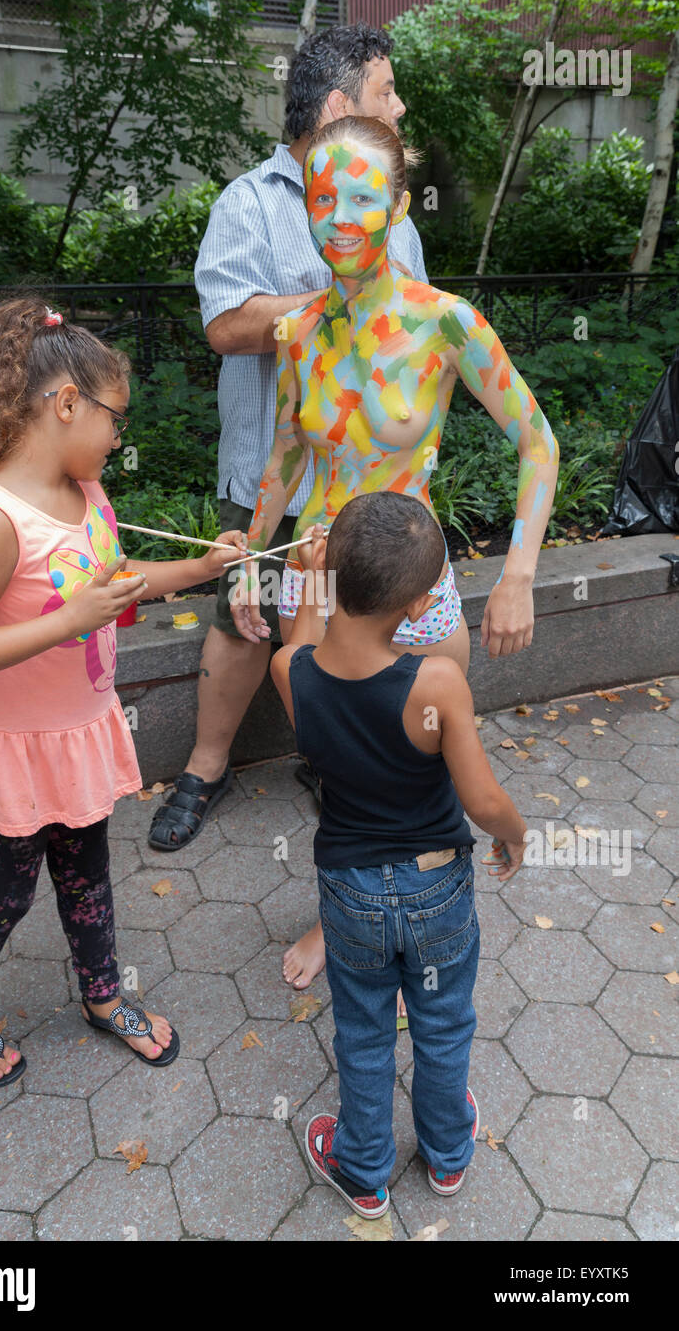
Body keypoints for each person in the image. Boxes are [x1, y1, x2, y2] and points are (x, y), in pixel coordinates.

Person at [230, 114, 559, 997]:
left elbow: (536, 443)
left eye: (361, 199)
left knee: (422, 755)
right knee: (339, 761)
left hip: (410, 581)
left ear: (399, 207)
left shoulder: (445, 323)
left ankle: (423, 906)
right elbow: (286, 459)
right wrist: (249, 558)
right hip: (316, 579)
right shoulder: (297, 330)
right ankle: (346, 909)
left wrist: (519, 574)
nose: (338, 217)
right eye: (321, 196)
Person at [0, 298, 247, 1088]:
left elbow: (117, 588)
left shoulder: (84, 491)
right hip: (8, 751)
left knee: (87, 876)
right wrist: (69, 617)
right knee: (4, 896)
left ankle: (102, 995)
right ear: (67, 404)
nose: (118, 435)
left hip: (76, 733)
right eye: (114, 417)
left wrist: (199, 570)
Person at [148, 22, 426, 852]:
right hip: (271, 472)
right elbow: (228, 324)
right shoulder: (251, 203)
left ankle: (335, 762)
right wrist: (332, 306)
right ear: (340, 106)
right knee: (244, 619)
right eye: (386, 91)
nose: (398, 105)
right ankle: (203, 767)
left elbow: (413, 321)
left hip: (368, 476)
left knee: (351, 618)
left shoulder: (391, 206)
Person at [270, 495, 527, 1216]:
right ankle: (447, 1156)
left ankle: (362, 1170)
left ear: (331, 572)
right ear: (419, 607)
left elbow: (296, 646)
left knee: (361, 1028)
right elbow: (481, 802)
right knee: (443, 1022)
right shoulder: (435, 683)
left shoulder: (293, 673)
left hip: (348, 892)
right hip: (435, 885)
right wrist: (514, 831)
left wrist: (311, 581)